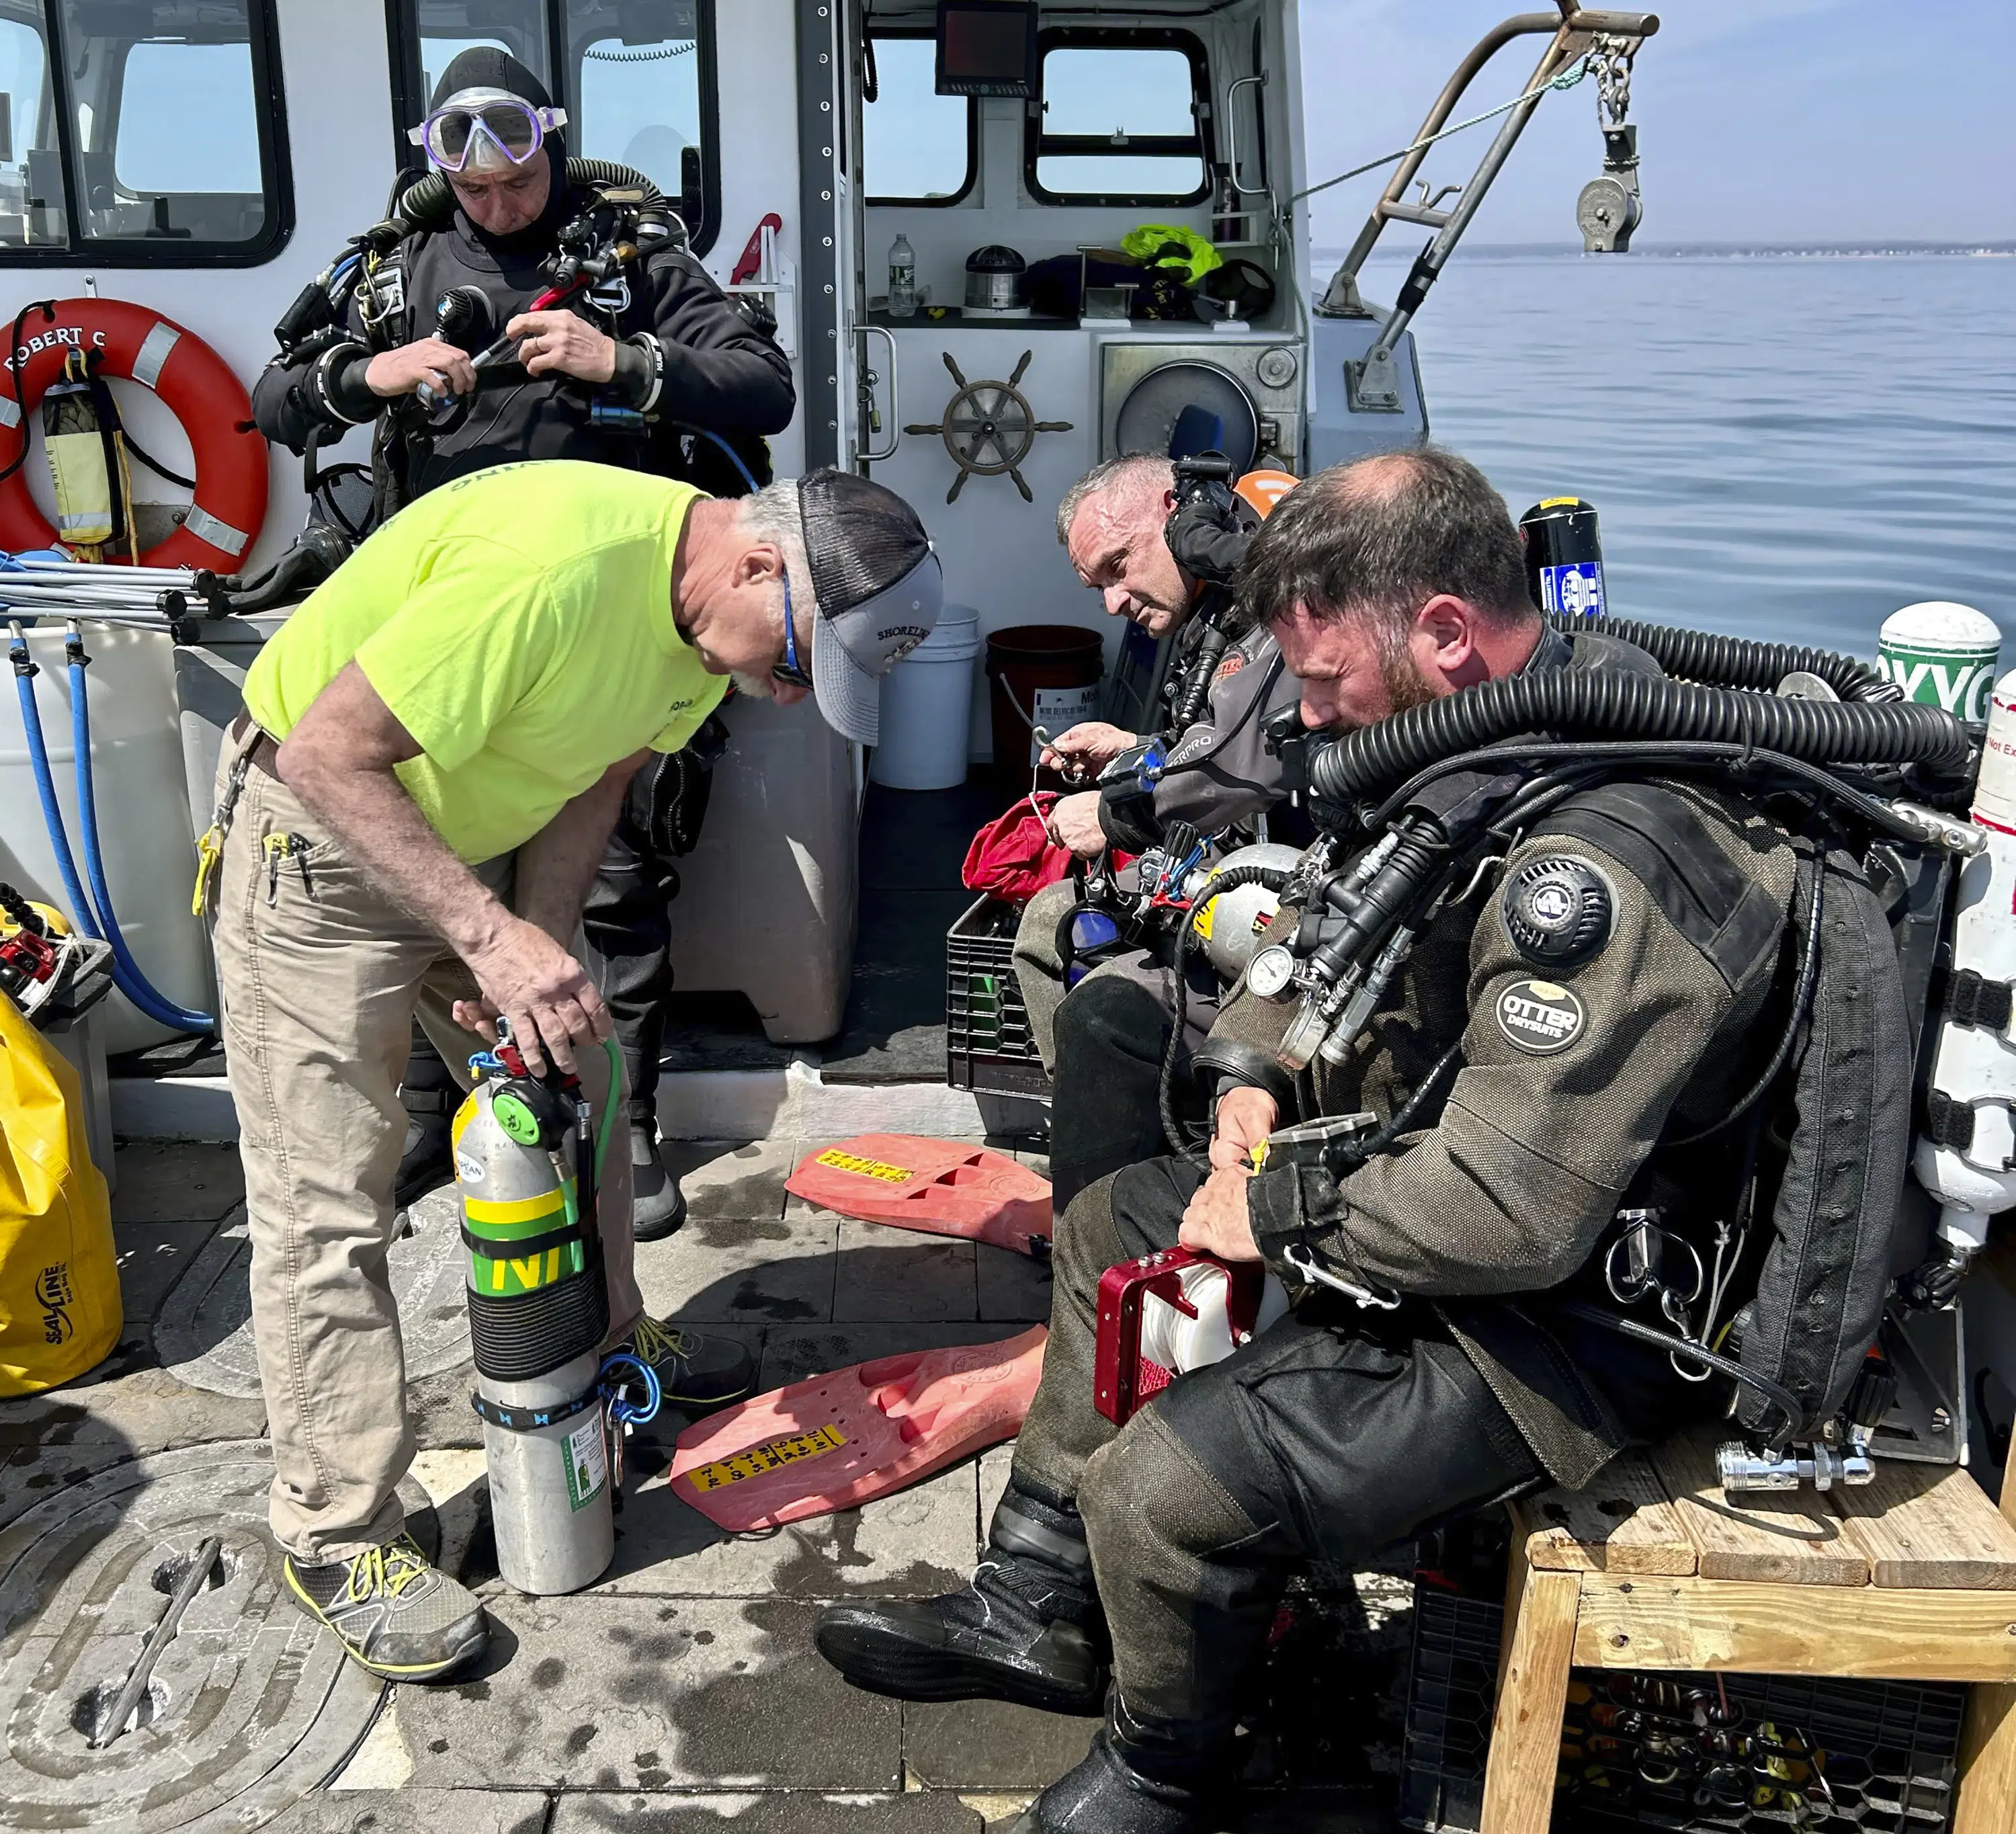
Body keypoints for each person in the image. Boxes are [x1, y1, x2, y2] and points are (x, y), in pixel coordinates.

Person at [816, 448, 1885, 1831]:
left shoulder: (1603, 857)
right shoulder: (1471, 736)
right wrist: (1254, 1076)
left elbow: (1511, 1205)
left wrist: (1271, 1209)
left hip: (1564, 1326)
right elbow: (1325, 915)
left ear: (1444, 629)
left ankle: (1168, 1769)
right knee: (1106, 1226)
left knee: (1163, 1485)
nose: (1310, 716)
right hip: (1419, 1199)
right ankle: (1037, 1607)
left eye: (1322, 683)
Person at [210, 461, 940, 1681]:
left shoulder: (704, 636)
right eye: (803, 656)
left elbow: (594, 777)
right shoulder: (555, 570)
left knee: (582, 1087)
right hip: (320, 846)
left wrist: (535, 949)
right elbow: (333, 758)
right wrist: (492, 938)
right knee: (325, 1195)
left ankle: (605, 1349)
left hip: (458, 839)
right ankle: (337, 1529)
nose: (791, 689)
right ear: (758, 564)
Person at [253, 47, 797, 1240]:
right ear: (440, 164)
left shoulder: (627, 254)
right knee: (409, 855)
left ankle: (626, 1113)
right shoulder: (393, 268)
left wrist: (630, 362)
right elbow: (274, 399)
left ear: (552, 141)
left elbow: (765, 384)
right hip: (443, 622)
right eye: (476, 187)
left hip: (605, 620)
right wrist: (367, 373)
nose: (498, 202)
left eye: (518, 176)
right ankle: (422, 1115)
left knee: (611, 878)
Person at [1009, 453, 1302, 1208]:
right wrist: (1131, 751)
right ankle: (1098, 1147)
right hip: (1233, 867)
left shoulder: (1282, 609)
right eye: (1096, 584)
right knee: (1046, 924)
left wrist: (1109, 815)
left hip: (1292, 912)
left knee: (1098, 1005)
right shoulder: (1218, 611)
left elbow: (1239, 773)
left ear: (1178, 514)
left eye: (1118, 566)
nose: (1111, 602)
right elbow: (1214, 749)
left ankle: (1118, 1210)